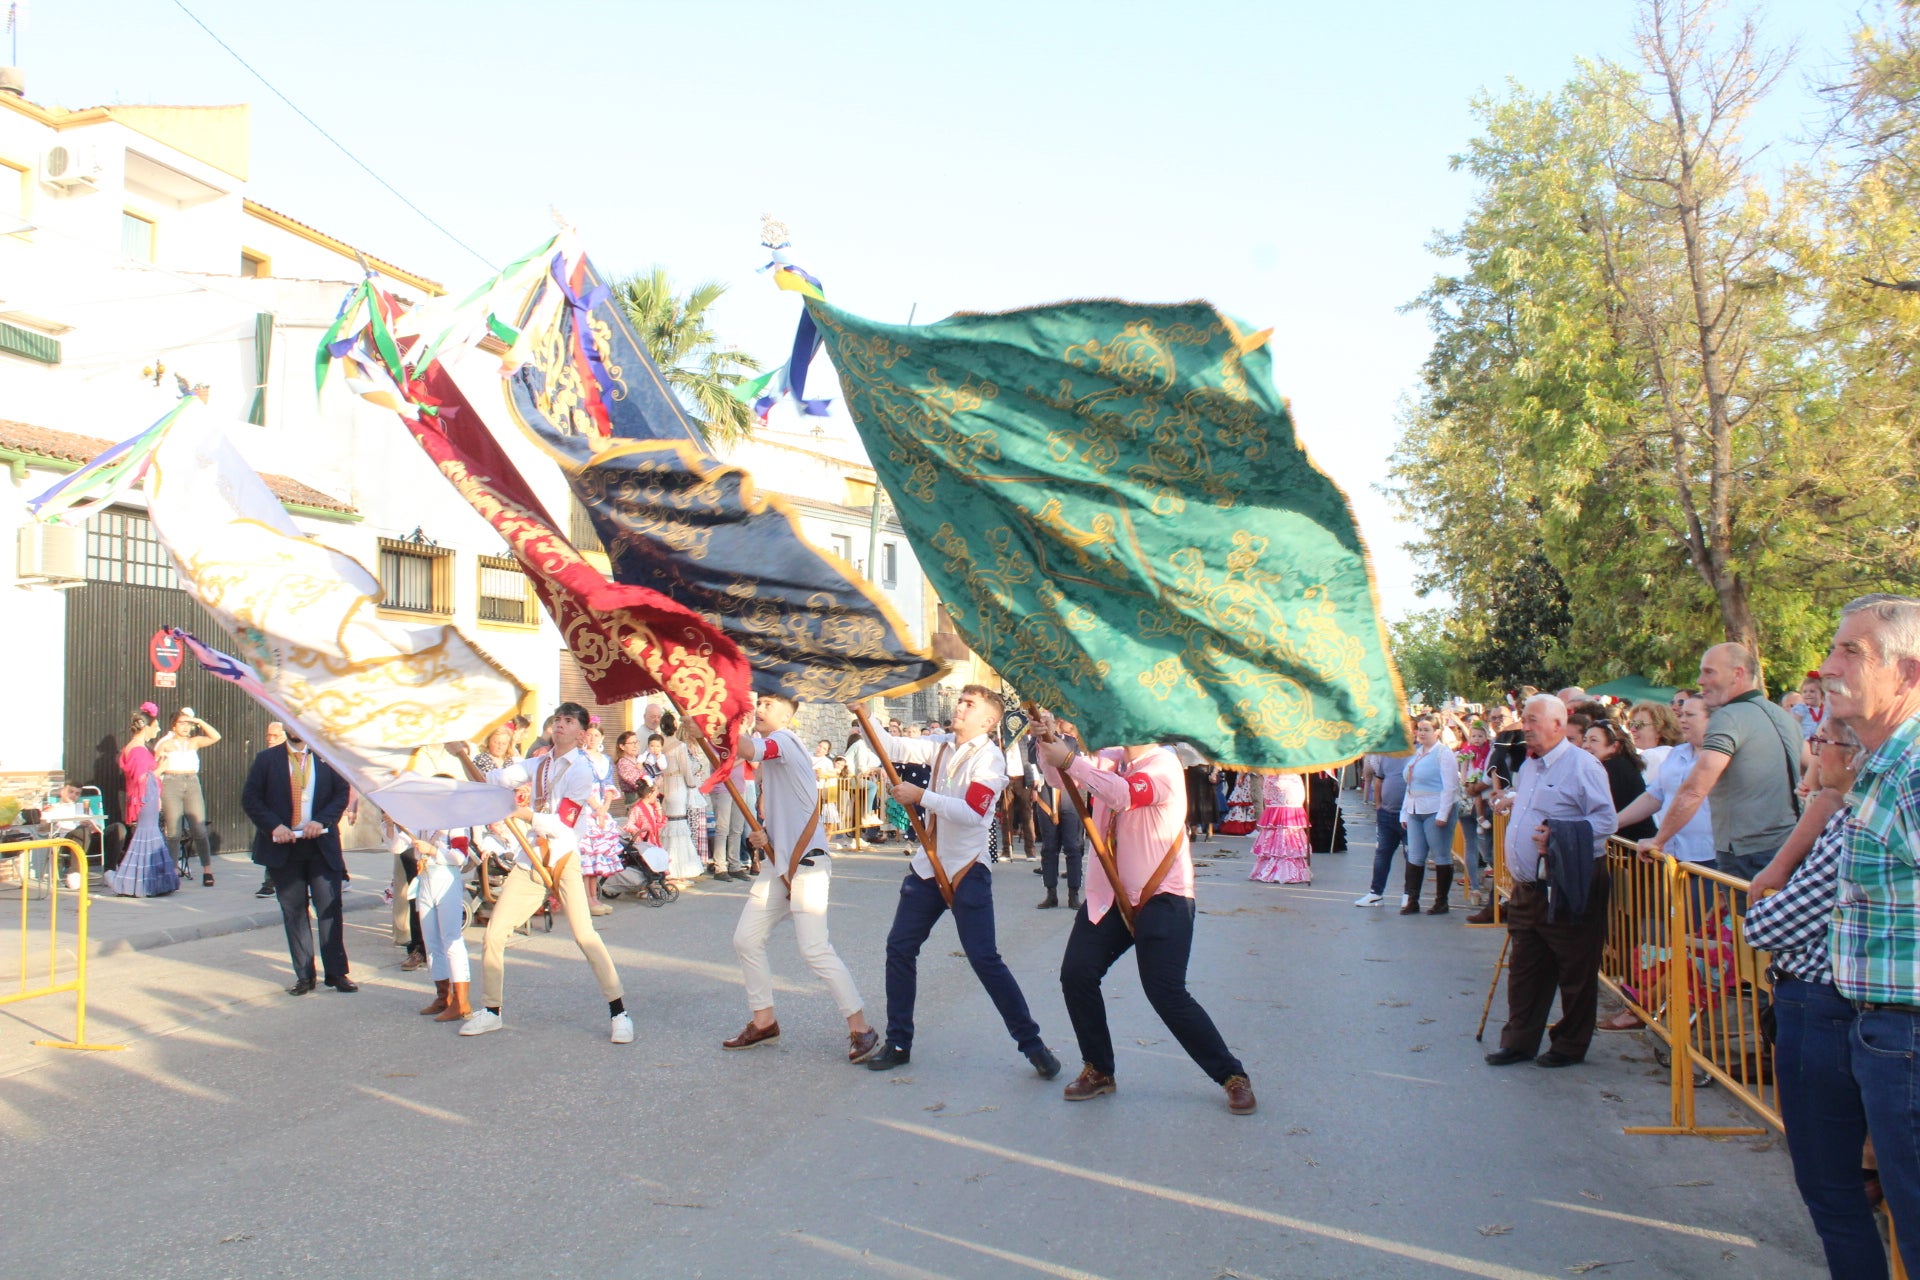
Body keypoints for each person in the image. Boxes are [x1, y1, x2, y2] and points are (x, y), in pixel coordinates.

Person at [1033, 707, 1255, 1115]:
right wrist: (1048, 742)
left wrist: (1068, 757)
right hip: (1110, 895)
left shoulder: (1165, 764)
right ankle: (1099, 1069)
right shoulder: (1110, 756)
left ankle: (1231, 1075)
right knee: (1076, 974)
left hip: (1164, 895)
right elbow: (1057, 778)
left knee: (1165, 992)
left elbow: (1121, 794)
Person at [1740, 721, 1887, 1279]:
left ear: (1852, 757)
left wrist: (1765, 906)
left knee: (1830, 1184)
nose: (1814, 753)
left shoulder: (1854, 825)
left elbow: (1771, 922)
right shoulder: (1847, 817)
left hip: (1819, 1008)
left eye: (1822, 743)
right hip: (1829, 1006)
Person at [855, 686, 1060, 1079]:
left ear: (988, 720)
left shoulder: (991, 760)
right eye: (960, 702)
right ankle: (899, 1042)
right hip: (928, 867)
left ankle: (1033, 1045)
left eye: (970, 705)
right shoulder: (941, 745)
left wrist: (921, 796)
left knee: (984, 959)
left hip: (968, 868)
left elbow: (970, 813)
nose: (960, 708)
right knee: (899, 949)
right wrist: (863, 713)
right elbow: (890, 746)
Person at [1818, 594, 1920, 1271]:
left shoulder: (1911, 772)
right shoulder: (1887, 764)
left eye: (1851, 652)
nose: (1828, 666)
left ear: (1909, 674)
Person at [448, 701, 632, 1043]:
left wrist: (519, 812)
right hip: (531, 859)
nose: (560, 725)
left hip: (562, 858)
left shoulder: (581, 771)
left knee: (585, 935)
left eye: (568, 721)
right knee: (495, 933)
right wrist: (462, 755)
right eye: (558, 719)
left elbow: (563, 824)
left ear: (580, 732)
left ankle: (619, 1012)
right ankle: (491, 1011)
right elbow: (492, 780)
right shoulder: (540, 763)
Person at [721, 693, 878, 1062]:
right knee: (746, 939)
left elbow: (748, 749)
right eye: (759, 704)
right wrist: (764, 834)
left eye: (769, 706)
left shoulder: (785, 742)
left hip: (808, 863)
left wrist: (717, 728)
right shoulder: (772, 751)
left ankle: (861, 1028)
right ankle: (764, 1022)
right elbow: (782, 812)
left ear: (788, 717)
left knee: (814, 950)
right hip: (780, 864)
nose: (760, 710)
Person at [1485, 694, 1618, 1068]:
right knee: (1525, 967)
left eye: (1533, 720)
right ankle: (1519, 1041)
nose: (1525, 728)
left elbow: (1606, 822)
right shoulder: (1530, 767)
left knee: (1575, 967)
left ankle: (1569, 1045)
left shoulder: (1583, 766)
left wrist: (1559, 835)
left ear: (1559, 725)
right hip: (1529, 886)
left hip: (1570, 881)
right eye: (1524, 720)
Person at [1645, 643, 1802, 882]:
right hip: (1785, 848)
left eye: (1709, 672)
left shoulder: (1727, 717)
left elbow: (1695, 788)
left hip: (1748, 853)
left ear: (1737, 674)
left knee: (1746, 919)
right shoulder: (1782, 716)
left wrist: (1658, 840)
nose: (1700, 680)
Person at [241, 725, 354, 995]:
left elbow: (341, 793)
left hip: (320, 844)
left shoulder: (328, 757)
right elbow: (251, 798)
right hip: (285, 845)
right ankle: (304, 976)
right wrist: (274, 826)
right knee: (294, 912)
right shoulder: (267, 759)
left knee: (329, 909)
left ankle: (337, 973)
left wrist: (322, 820)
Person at [403, 811, 478, 1024]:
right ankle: (443, 996)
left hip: (446, 877)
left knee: (451, 939)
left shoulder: (455, 821)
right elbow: (398, 846)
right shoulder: (422, 822)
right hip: (425, 878)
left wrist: (434, 850)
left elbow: (460, 856)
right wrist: (391, 826)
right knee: (431, 941)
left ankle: (461, 1001)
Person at [105, 705, 179, 897]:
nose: (158, 730)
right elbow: (142, 779)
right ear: (146, 726)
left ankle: (148, 881)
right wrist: (161, 768)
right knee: (145, 838)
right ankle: (131, 882)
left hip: (146, 799)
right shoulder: (137, 750)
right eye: (156, 725)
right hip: (145, 800)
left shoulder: (135, 748)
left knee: (147, 838)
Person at [1400, 714, 1462, 915]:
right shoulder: (1417, 754)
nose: (1421, 733)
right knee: (1415, 855)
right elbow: (1410, 786)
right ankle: (1412, 900)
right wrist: (1404, 813)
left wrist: (1443, 813)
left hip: (1435, 809)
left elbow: (1450, 786)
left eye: (1427, 729)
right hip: (1415, 808)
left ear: (1437, 732)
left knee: (1440, 854)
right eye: (1419, 729)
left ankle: (1441, 901)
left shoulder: (1443, 754)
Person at [154, 707, 221, 886]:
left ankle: (207, 870)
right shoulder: (166, 744)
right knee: (173, 831)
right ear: (174, 725)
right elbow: (157, 767)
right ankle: (172, 871)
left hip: (191, 781)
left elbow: (216, 737)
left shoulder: (194, 741)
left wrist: (199, 722)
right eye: (181, 723)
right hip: (171, 781)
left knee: (199, 828)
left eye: (188, 724)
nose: (185, 727)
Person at [1032, 733, 1085, 909]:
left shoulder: (1071, 741)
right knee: (1049, 847)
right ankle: (1051, 893)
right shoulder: (1036, 741)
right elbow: (1032, 760)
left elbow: (1077, 764)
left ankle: (1073, 893)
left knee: (1072, 846)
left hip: (1069, 793)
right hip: (1046, 792)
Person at [652, 713, 706, 883]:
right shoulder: (679, 746)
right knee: (679, 828)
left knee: (668, 826)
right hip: (677, 785)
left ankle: (667, 866)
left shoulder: (660, 745)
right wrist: (693, 784)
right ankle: (678, 868)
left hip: (664, 786)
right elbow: (686, 770)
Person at [1581, 720, 1655, 843]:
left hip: (1631, 850)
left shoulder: (1615, 767)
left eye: (1593, 740)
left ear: (1614, 746)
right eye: (1584, 740)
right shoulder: (1616, 765)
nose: (1585, 745)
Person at [575, 726, 623, 915]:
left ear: (602, 737)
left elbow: (609, 785)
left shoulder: (606, 760)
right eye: (589, 734)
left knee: (597, 857)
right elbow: (582, 786)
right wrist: (596, 808)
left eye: (596, 735)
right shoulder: (580, 758)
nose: (593, 738)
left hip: (602, 808)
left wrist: (605, 808)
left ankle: (594, 897)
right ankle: (586, 899)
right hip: (587, 808)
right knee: (587, 856)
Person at [1355, 750, 1409, 906]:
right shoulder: (1387, 756)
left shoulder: (1415, 754)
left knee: (1411, 855)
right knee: (1382, 854)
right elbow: (1379, 780)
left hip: (1408, 815)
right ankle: (1376, 892)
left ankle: (1409, 894)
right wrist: (1378, 805)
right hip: (1387, 813)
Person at [1248, 772, 1311, 884]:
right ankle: (1287, 869)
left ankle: (1282, 868)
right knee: (1282, 822)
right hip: (1281, 781)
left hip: (1282, 781)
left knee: (1284, 822)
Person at [1627, 701, 1681, 784]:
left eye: (1639, 724)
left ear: (1660, 729)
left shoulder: (1652, 756)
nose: (1632, 729)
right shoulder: (1673, 754)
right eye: (1631, 724)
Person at [1216, 771, 1257, 837]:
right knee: (1245, 798)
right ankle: (1247, 825)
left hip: (1245, 776)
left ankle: (1241, 825)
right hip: (1248, 776)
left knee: (1242, 798)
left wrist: (1240, 776)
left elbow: (1244, 766)